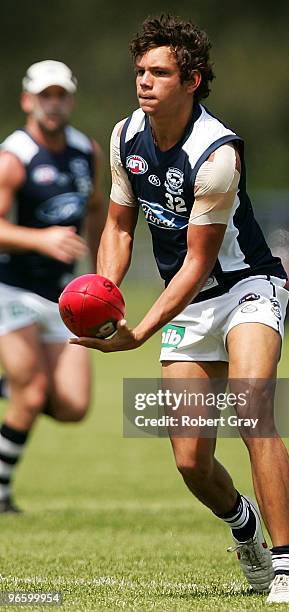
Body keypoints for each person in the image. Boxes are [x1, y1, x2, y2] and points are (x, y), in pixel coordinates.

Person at [71, 15, 289, 604]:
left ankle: (286, 569)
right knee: (190, 461)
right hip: (190, 299)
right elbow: (120, 229)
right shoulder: (126, 136)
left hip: (245, 285)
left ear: (192, 80)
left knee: (253, 413)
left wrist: (140, 331)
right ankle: (243, 525)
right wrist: (103, 296)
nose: (145, 83)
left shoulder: (217, 151)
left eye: (159, 73)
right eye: (140, 72)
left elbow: (199, 262)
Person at [0, 60, 105, 513]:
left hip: (63, 296)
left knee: (73, 405)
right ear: (28, 101)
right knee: (31, 393)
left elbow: (99, 208)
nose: (54, 103)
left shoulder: (88, 151)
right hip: (11, 289)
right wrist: (39, 240)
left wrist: (102, 271)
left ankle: (14, 384)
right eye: (45, 95)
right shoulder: (13, 157)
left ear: (70, 99)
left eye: (61, 95)